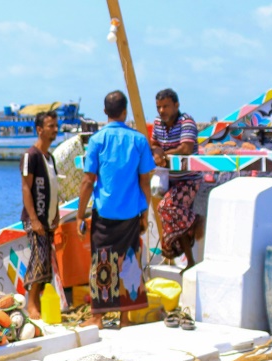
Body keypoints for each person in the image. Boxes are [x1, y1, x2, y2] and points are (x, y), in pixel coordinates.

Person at [76, 90, 154, 329]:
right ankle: (125, 318)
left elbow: (88, 181)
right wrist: (145, 212)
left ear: (104, 112)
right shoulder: (139, 140)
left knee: (101, 261)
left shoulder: (97, 140)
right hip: (131, 212)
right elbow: (144, 181)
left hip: (105, 213)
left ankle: (98, 317)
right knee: (130, 260)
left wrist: (80, 214)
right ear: (125, 111)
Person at [149, 88, 203, 268]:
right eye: (159, 107)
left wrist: (164, 155)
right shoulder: (158, 123)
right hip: (169, 179)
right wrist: (158, 153)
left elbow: (186, 149)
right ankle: (190, 261)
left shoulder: (186, 122)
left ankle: (195, 220)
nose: (162, 111)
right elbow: (155, 143)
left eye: (166, 106)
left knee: (166, 206)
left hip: (189, 179)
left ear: (176, 105)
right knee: (177, 223)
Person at [20, 111, 61, 320]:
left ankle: (40, 302)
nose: (55, 129)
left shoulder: (50, 157)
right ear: (39, 130)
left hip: (48, 219)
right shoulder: (31, 156)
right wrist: (34, 219)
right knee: (38, 259)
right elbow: (26, 188)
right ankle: (31, 304)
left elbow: (53, 186)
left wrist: (56, 214)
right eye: (50, 126)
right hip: (35, 219)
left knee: (45, 264)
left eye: (56, 125)